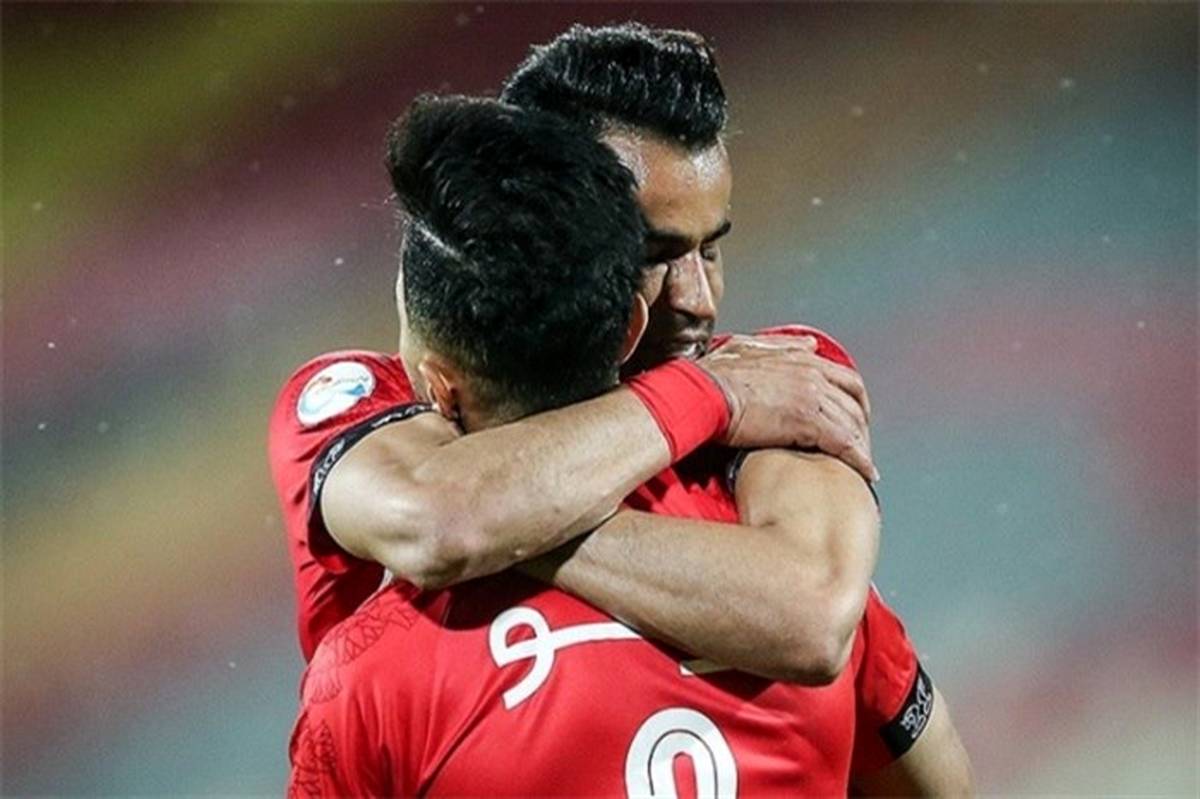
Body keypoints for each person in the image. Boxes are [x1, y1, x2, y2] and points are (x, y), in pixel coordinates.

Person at [271, 22, 971, 794]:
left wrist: (518, 518)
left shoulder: (784, 377)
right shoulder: (360, 403)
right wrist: (714, 396)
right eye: (653, 255)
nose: (699, 301)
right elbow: (445, 521)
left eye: (711, 248)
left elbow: (810, 617)